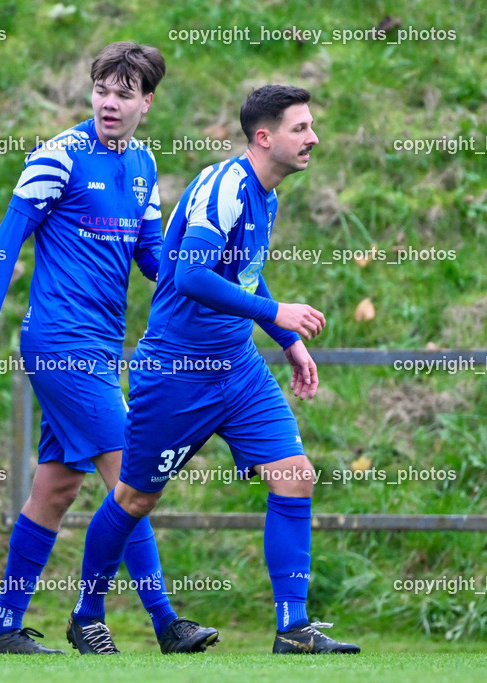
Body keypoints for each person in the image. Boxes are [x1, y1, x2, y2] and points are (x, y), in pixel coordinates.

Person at [67, 85, 361, 655]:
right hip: (177, 372)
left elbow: (243, 274)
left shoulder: (266, 196)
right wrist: (277, 312)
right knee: (134, 497)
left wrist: (285, 338)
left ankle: (293, 628)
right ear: (264, 137)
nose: (313, 138)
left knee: (295, 474)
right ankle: (87, 614)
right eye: (301, 128)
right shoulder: (225, 186)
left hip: (239, 368)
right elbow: (190, 277)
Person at [0, 41, 217, 656]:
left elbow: (153, 260)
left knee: (56, 490)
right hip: (59, 343)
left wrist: (213, 276)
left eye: (124, 94)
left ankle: (4, 627)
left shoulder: (145, 165)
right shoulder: (59, 156)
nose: (109, 103)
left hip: (99, 348)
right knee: (133, 478)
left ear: (147, 102)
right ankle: (162, 620)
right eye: (102, 90)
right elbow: (2, 245)